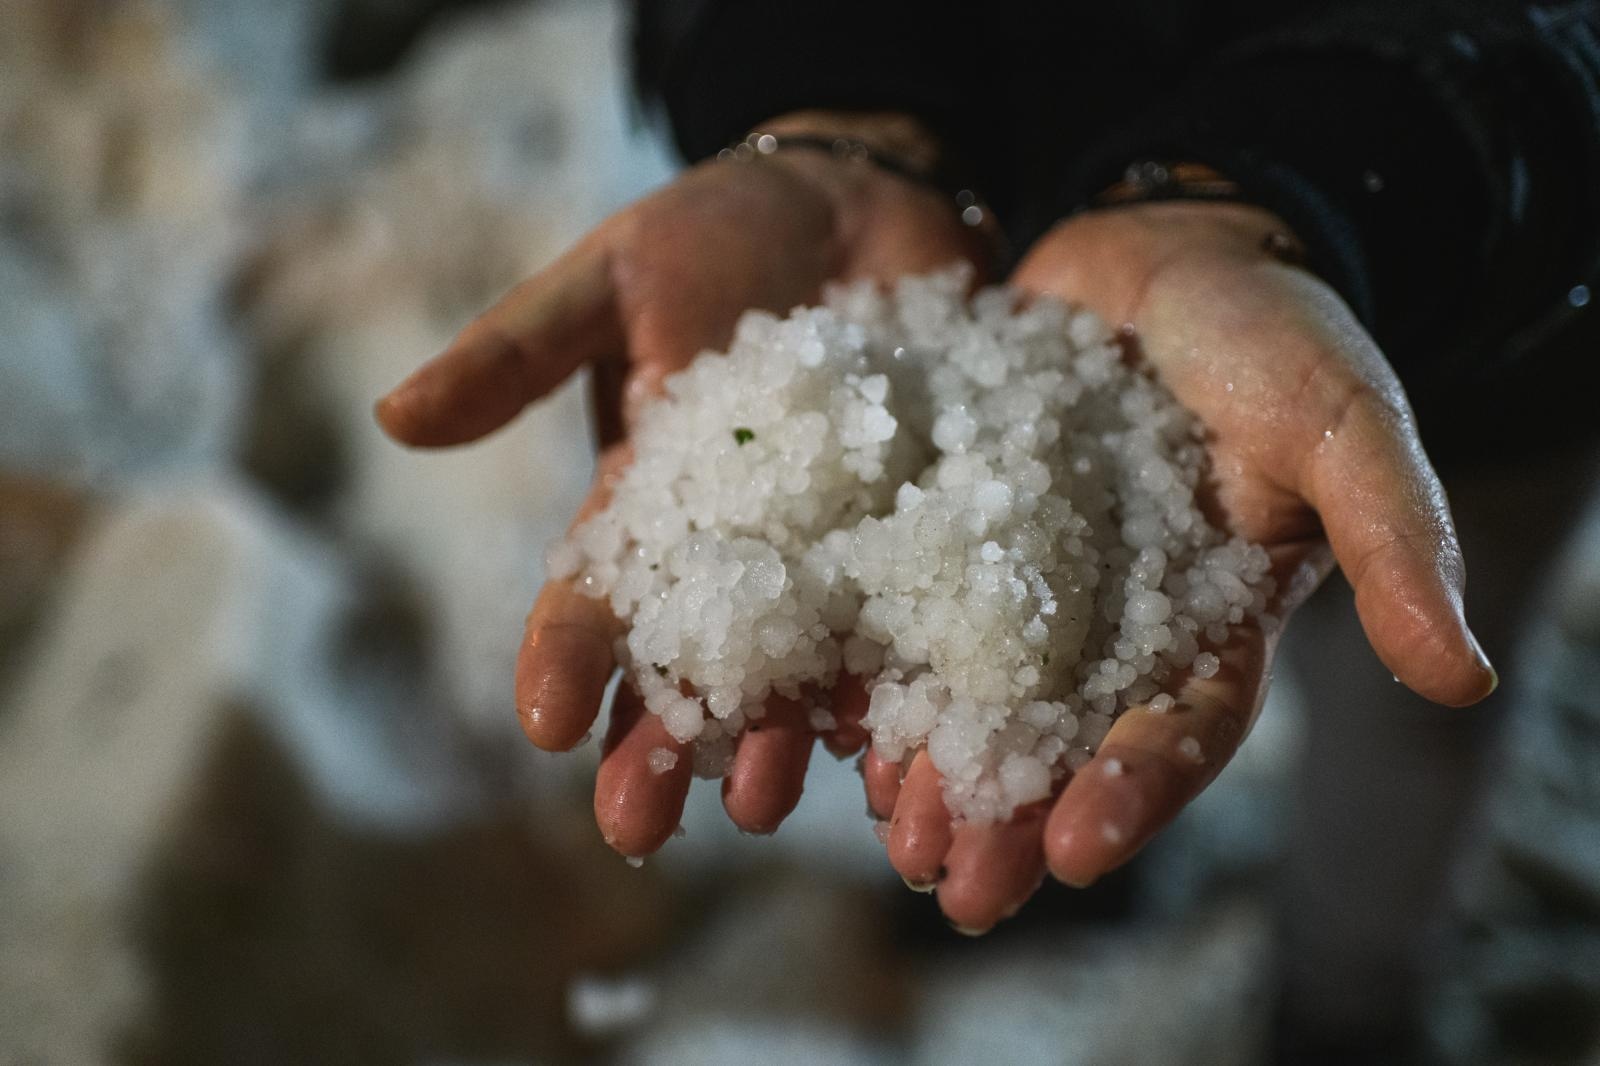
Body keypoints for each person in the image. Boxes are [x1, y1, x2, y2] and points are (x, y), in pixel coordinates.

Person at [375, 0, 1600, 1054]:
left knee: (1422, 689)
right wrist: (827, 92)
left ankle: (1348, 1002)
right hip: (994, 205)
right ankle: (1115, 883)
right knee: (1114, 732)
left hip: (1490, 287)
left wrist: (1323, 183)